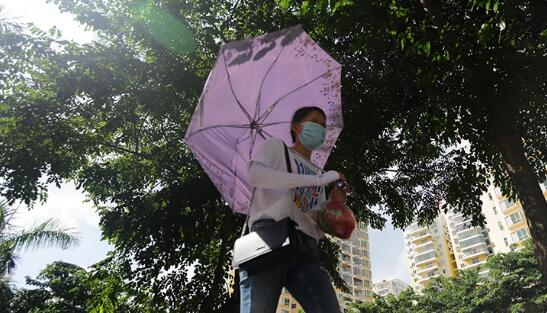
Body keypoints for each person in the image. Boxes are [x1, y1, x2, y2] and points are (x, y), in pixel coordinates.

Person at [239, 106, 345, 313]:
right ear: (297, 126)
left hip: (306, 248)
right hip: (269, 236)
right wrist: (318, 180)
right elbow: (256, 175)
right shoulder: (276, 147)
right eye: (315, 121)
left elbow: (318, 228)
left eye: (324, 126)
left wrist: (334, 204)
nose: (321, 129)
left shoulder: (318, 173)